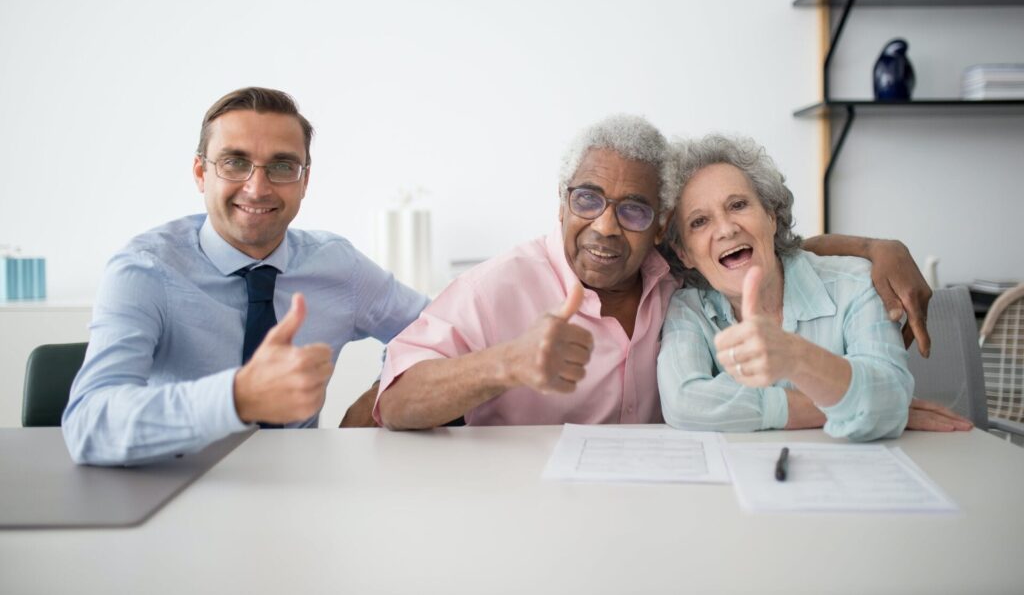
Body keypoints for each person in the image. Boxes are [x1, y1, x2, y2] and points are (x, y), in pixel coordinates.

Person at [374, 114, 945, 430]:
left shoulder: (670, 273)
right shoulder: (493, 288)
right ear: (561, 200)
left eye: (632, 210)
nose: (604, 227)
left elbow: (770, 248)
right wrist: (508, 362)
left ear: (659, 228)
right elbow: (395, 402)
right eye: (587, 198)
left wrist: (876, 247)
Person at [62, 87, 429, 465]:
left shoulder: (338, 266)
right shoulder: (143, 270)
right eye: (235, 163)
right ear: (201, 173)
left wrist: (379, 401)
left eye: (282, 166)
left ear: (304, 181)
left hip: (303, 493)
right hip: (173, 493)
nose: (257, 188)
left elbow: (442, 331)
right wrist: (237, 397)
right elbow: (89, 425)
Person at [657, 135, 973, 440]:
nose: (726, 229)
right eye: (699, 222)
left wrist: (796, 357)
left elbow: (888, 396)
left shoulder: (856, 284)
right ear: (684, 252)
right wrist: (845, 407)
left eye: (738, 205)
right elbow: (684, 403)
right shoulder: (688, 309)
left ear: (771, 217)